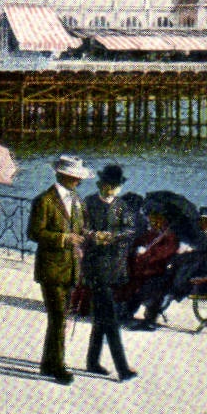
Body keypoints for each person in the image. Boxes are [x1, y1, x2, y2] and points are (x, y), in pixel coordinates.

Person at [28, 154, 90, 384]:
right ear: (62, 176)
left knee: (61, 317)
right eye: (74, 178)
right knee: (58, 317)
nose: (78, 182)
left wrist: (89, 237)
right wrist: (64, 239)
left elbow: (82, 229)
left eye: (78, 178)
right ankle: (58, 365)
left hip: (71, 266)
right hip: (51, 268)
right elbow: (34, 233)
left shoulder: (77, 200)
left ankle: (48, 362)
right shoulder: (44, 200)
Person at [82, 163, 139, 380]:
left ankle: (92, 361)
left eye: (116, 186)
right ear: (101, 184)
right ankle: (122, 367)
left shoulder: (122, 206)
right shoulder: (88, 203)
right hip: (95, 266)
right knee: (110, 318)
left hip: (114, 266)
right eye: (110, 185)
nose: (113, 189)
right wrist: (94, 235)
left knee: (103, 316)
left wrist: (113, 236)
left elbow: (131, 230)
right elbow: (79, 227)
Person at [121, 211, 180, 327]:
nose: (152, 223)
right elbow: (137, 243)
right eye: (151, 220)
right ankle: (126, 312)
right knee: (129, 282)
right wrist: (137, 250)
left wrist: (145, 255)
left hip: (159, 272)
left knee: (143, 288)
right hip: (143, 270)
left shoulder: (170, 237)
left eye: (156, 220)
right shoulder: (152, 234)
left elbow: (162, 254)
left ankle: (147, 317)